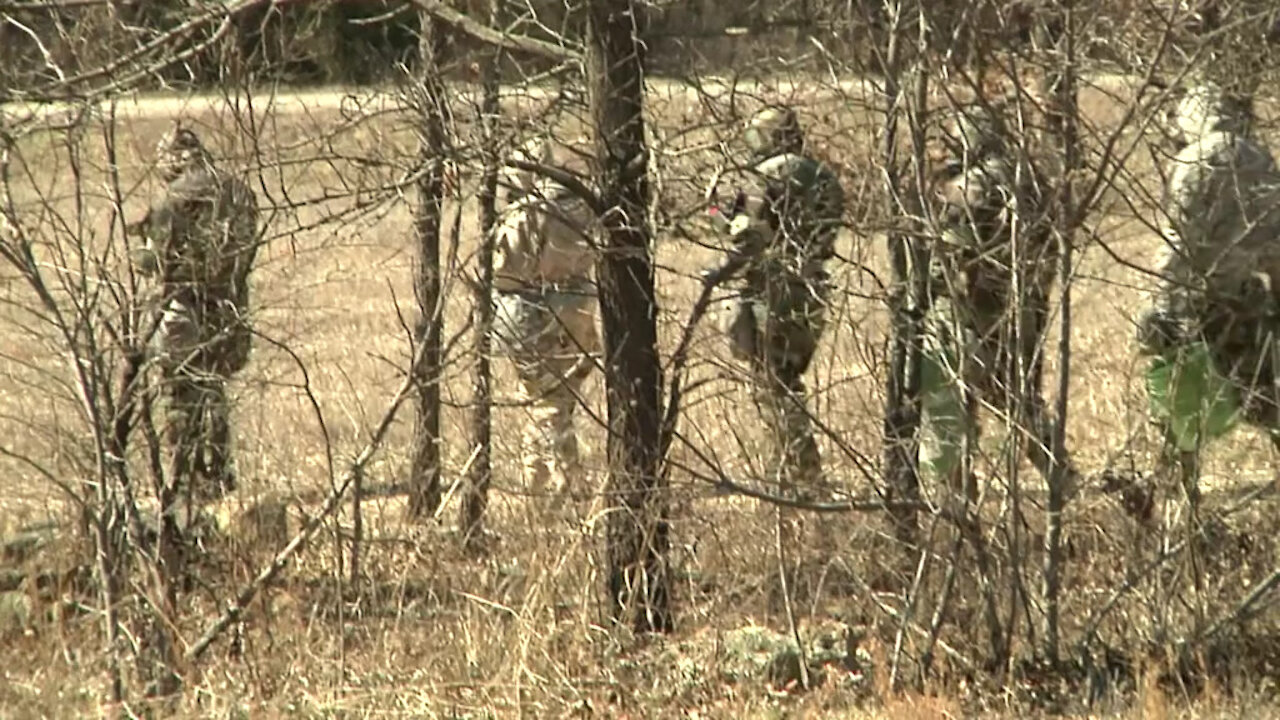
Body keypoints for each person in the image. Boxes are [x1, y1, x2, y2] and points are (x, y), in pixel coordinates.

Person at [919, 98, 1081, 498]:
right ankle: (1065, 480)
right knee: (1022, 405)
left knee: (946, 408)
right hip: (1023, 316)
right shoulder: (1033, 183)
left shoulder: (969, 186)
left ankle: (955, 502)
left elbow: (947, 263)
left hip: (972, 316)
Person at [1137, 79, 1280, 507]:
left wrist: (1158, 308)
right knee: (1264, 401)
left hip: (1191, 306)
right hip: (1243, 301)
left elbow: (1177, 242)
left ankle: (1182, 505)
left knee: (1179, 411)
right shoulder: (1262, 161)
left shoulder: (1192, 160)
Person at [714, 105, 844, 498]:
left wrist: (718, 213)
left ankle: (802, 479)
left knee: (774, 387)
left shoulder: (766, 175)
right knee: (786, 382)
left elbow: (745, 235)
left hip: (774, 292)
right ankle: (790, 475)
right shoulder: (824, 177)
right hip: (813, 289)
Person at [129, 123, 259, 501]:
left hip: (183, 309)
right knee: (213, 388)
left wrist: (140, 244)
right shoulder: (239, 192)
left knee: (178, 392)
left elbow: (155, 263)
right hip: (229, 306)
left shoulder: (171, 200)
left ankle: (182, 481)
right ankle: (217, 475)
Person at [491, 161, 600, 501]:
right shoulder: (580, 204)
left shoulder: (522, 214)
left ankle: (553, 483)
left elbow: (502, 273)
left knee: (542, 400)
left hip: (534, 311)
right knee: (561, 398)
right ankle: (552, 479)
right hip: (580, 306)